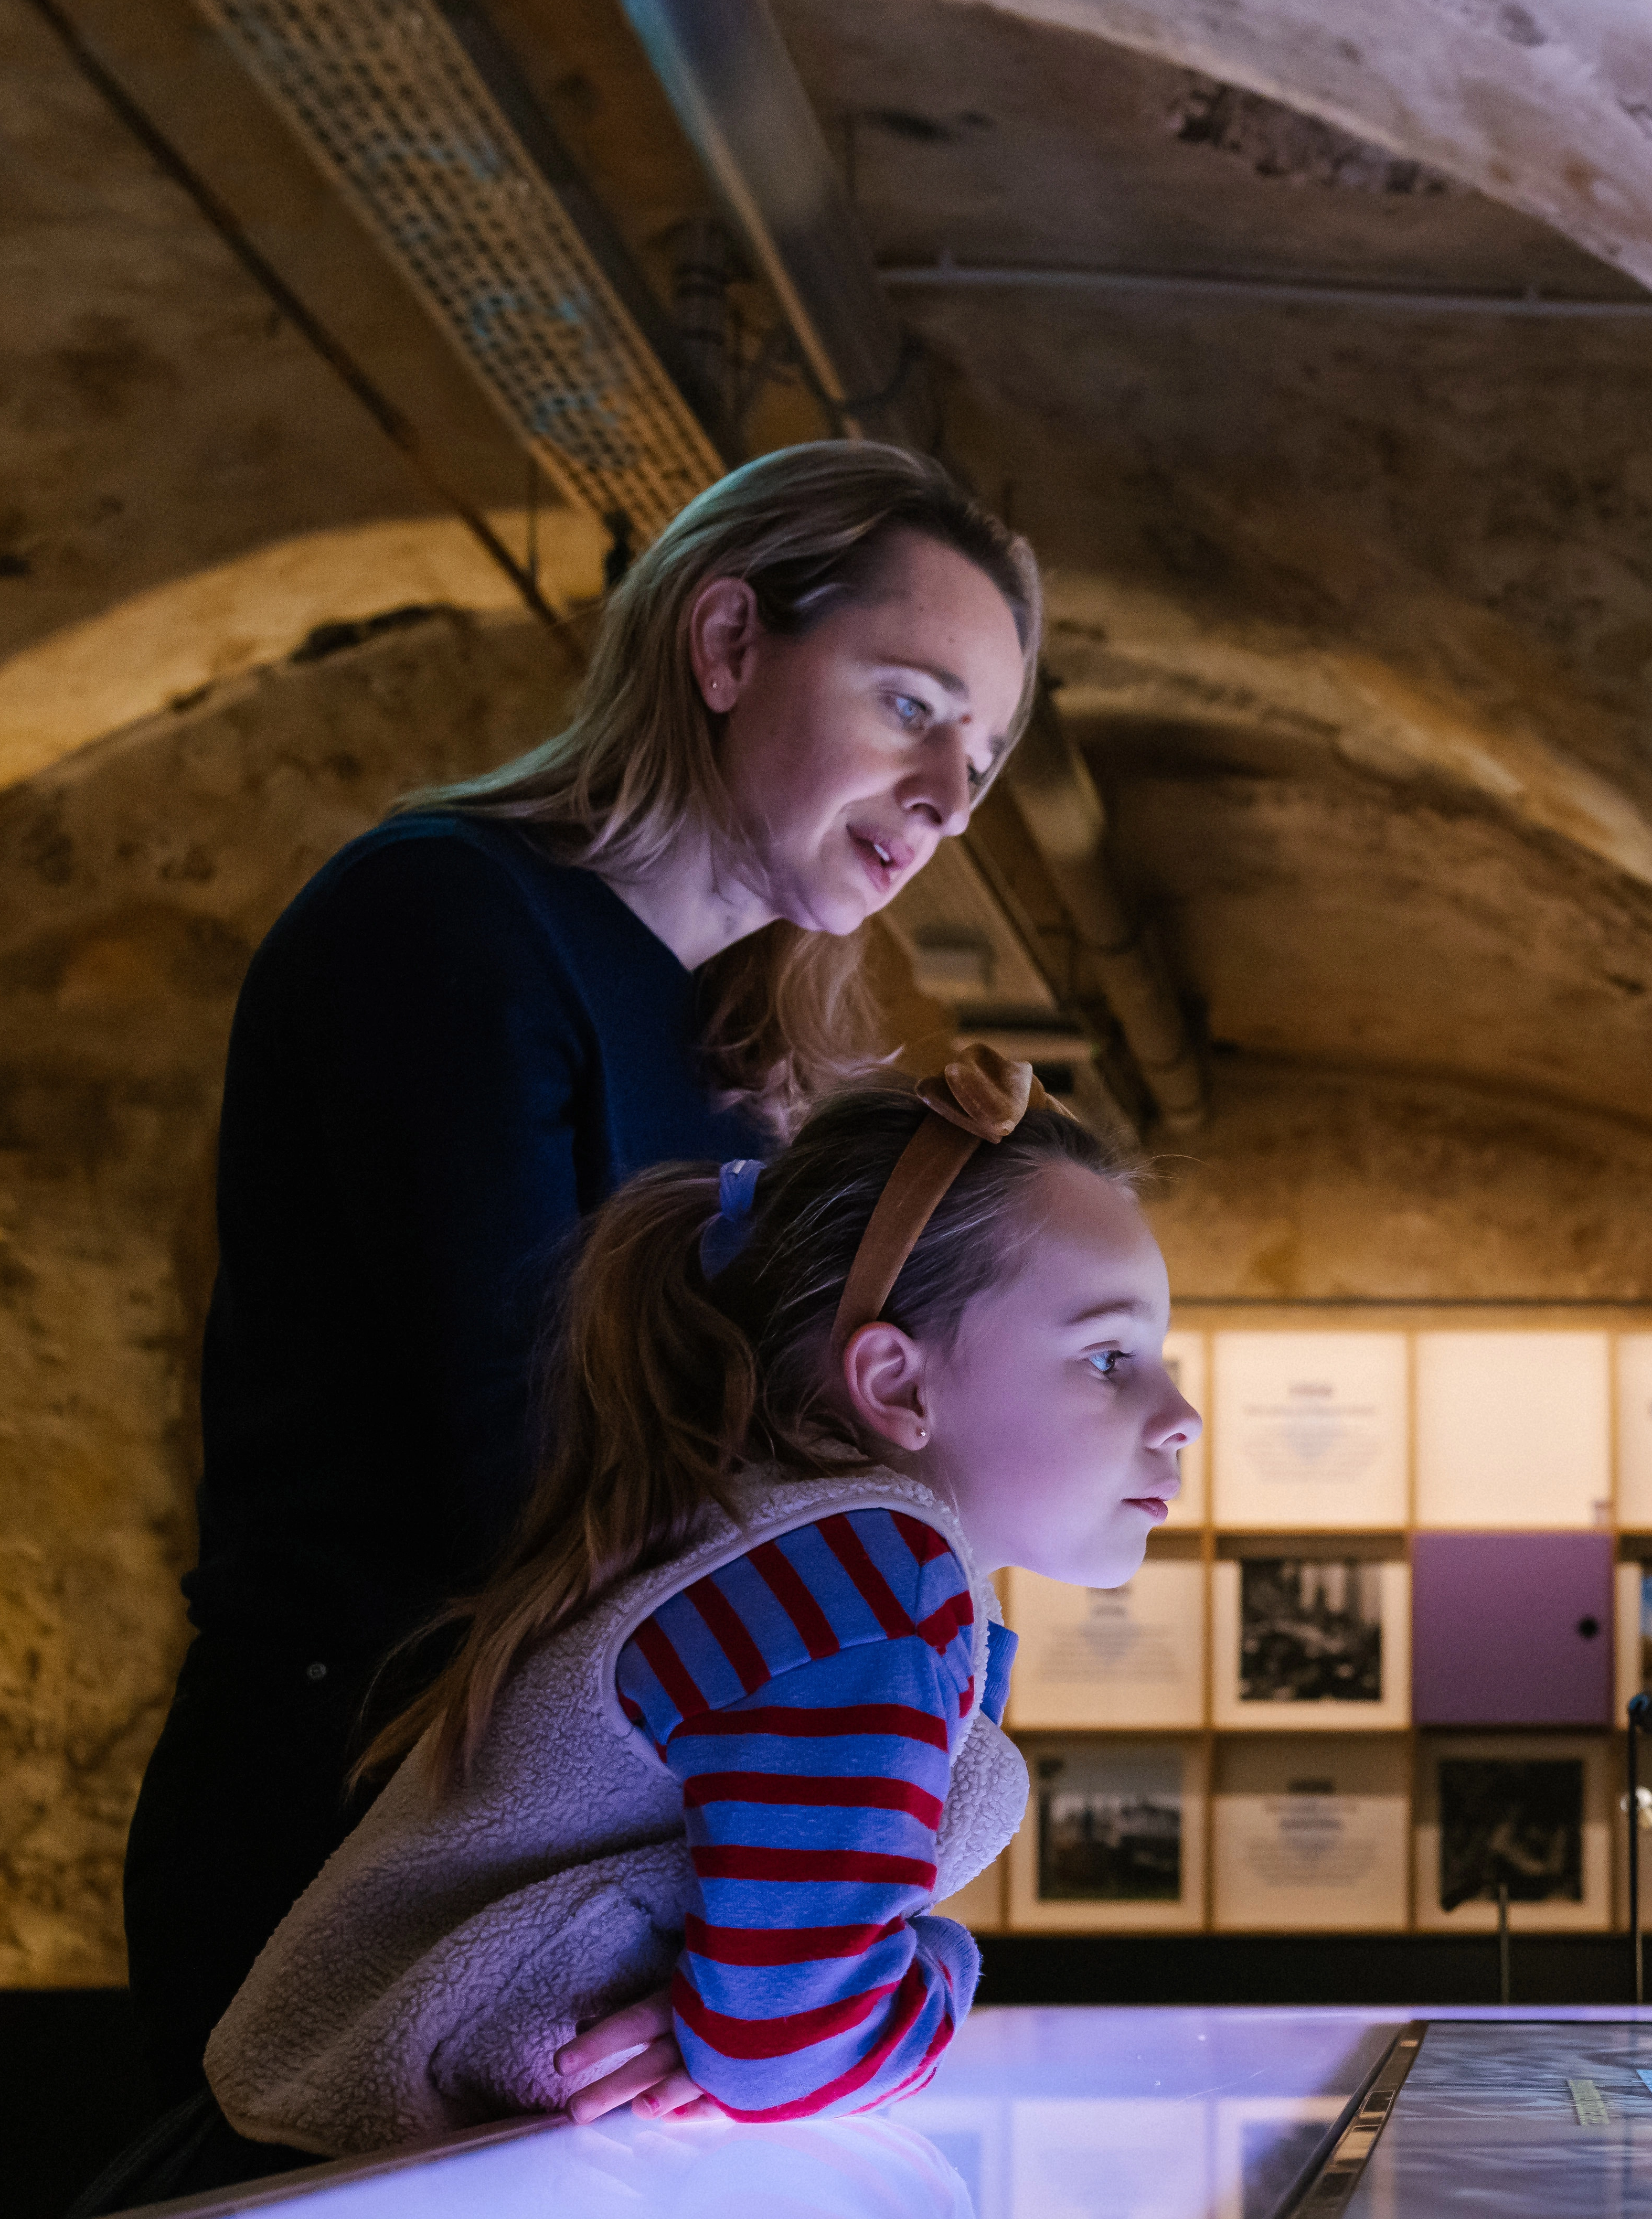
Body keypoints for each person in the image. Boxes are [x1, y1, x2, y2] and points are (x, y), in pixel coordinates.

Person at [121, 441, 1043, 2100]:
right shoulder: (448, 928)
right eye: (913, 705)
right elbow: (540, 1486)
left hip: (568, 1858)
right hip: (370, 1861)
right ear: (726, 644)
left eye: (982, 754)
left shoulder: (734, 1046)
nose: (951, 796)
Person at [199, 1044, 1196, 2158]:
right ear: (895, 1381)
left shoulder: (807, 1551)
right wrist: (942, 1971)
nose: (1181, 1413)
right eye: (1110, 1358)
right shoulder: (870, 1579)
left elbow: (778, 2016)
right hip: (380, 2207)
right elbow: (799, 2040)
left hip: (394, 2182)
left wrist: (752, 2018)